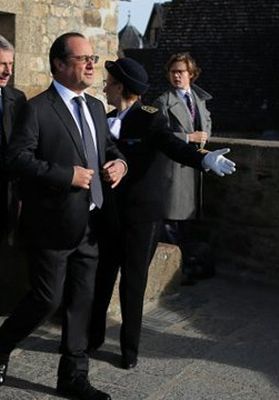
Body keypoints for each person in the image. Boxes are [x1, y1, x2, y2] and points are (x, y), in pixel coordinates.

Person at [0, 32, 127, 400]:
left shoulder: (95, 107)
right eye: (82, 58)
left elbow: (109, 146)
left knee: (82, 302)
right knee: (46, 299)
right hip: (51, 224)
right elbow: (16, 160)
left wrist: (119, 163)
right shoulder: (36, 108)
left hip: (91, 225)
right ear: (58, 64)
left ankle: (73, 376)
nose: (91, 64)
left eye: (93, 58)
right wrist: (65, 174)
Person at [89, 57, 235, 370]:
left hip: (141, 216)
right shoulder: (104, 117)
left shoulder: (150, 118)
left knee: (133, 281)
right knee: (102, 276)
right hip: (109, 213)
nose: (105, 87)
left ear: (122, 87)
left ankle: (129, 351)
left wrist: (204, 160)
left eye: (110, 83)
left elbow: (172, 145)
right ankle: (93, 338)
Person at [153, 52, 213, 285]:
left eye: (181, 72)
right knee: (173, 222)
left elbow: (206, 125)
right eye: (173, 72)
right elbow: (158, 136)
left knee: (189, 223)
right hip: (175, 168)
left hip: (195, 167)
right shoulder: (162, 102)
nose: (177, 76)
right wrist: (188, 137)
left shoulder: (199, 99)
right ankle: (177, 271)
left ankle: (190, 265)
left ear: (191, 74)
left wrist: (205, 138)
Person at [0, 35, 26, 243]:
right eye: (2, 64)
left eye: (11, 64)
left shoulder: (17, 99)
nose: (8, 71)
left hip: (9, 200)